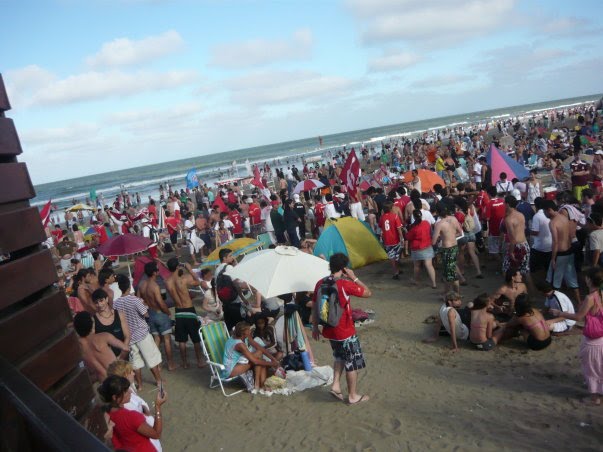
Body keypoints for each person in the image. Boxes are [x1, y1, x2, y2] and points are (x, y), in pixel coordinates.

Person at [312, 253, 372, 405]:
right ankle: (352, 396)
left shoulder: (320, 283)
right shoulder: (344, 284)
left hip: (328, 328)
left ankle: (336, 385)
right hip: (344, 330)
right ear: (344, 268)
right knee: (351, 362)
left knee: (339, 356)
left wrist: (314, 327)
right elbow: (368, 292)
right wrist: (354, 277)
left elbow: (315, 305)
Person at [550, 267, 603, 405]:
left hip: (592, 340)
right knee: (600, 367)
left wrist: (560, 313)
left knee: (591, 369)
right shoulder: (601, 294)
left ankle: (595, 398)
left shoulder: (590, 298)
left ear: (589, 280)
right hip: (601, 337)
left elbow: (579, 317)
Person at [113, 274, 163, 390]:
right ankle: (159, 381)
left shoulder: (116, 303)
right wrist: (144, 304)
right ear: (129, 287)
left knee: (135, 363)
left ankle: (140, 385)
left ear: (120, 287)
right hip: (141, 334)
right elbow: (145, 314)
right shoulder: (135, 300)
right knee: (151, 359)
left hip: (129, 337)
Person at [98, 375, 166, 451]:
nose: (130, 392)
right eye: (126, 391)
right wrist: (158, 407)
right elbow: (156, 434)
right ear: (115, 397)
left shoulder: (105, 413)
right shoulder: (131, 416)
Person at [165, 258, 206, 369]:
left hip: (178, 311)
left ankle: (184, 363)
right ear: (178, 267)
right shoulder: (184, 278)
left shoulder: (167, 282)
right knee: (195, 338)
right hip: (189, 310)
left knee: (182, 339)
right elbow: (199, 283)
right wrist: (190, 269)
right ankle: (199, 361)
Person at [138, 262, 177, 371]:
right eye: (157, 270)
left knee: (157, 339)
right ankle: (170, 364)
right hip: (160, 313)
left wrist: (147, 305)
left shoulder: (142, 285)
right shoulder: (155, 286)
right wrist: (167, 312)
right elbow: (160, 302)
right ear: (154, 273)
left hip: (150, 314)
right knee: (167, 339)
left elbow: (139, 300)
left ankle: (157, 365)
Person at [221, 321, 279, 390]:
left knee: (260, 356)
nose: (250, 330)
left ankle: (261, 385)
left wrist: (273, 359)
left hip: (238, 362)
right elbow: (255, 362)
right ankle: (257, 384)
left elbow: (259, 347)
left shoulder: (243, 336)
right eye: (248, 329)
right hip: (230, 369)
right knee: (260, 361)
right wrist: (272, 364)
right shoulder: (239, 344)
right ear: (244, 333)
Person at [74, 311, 128, 382]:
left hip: (105, 384)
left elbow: (80, 370)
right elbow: (126, 349)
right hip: (118, 377)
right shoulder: (104, 336)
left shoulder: (77, 348)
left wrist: (97, 375)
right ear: (91, 324)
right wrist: (118, 361)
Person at [543, 200, 580, 302]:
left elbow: (555, 242)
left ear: (549, 210)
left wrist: (553, 258)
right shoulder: (564, 217)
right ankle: (579, 302)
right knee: (572, 279)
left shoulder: (553, 222)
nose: (545, 214)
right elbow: (571, 234)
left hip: (560, 254)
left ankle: (552, 305)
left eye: (545, 211)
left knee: (555, 282)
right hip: (569, 250)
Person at [432, 203, 463, 295]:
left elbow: (434, 241)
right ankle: (447, 292)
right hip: (454, 246)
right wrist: (450, 235)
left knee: (450, 274)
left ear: (437, 212)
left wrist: (442, 238)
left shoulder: (439, 224)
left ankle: (456, 294)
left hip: (447, 249)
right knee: (448, 271)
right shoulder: (454, 219)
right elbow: (460, 232)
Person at [92, 288, 130, 359]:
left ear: (106, 299)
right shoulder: (93, 320)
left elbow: (127, 336)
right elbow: (94, 342)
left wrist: (122, 355)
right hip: (107, 360)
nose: (99, 304)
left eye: (101, 300)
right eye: (96, 302)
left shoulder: (119, 314)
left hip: (124, 355)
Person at [405, 209, 437, 288]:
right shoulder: (426, 223)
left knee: (417, 265)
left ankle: (416, 280)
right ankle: (434, 283)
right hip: (427, 245)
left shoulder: (413, 227)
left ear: (414, 217)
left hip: (417, 248)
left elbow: (408, 237)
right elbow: (430, 232)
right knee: (429, 265)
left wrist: (406, 231)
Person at [502, 195, 530, 275]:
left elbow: (512, 239)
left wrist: (511, 252)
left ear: (507, 204)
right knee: (525, 273)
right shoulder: (521, 215)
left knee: (506, 272)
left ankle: (510, 287)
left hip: (516, 247)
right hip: (525, 244)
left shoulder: (508, 219)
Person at [378, 200, 404, 279]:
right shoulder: (395, 216)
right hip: (395, 239)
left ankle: (396, 271)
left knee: (392, 256)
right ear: (391, 208)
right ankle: (396, 272)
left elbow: (381, 227)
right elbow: (399, 229)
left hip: (387, 240)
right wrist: (402, 238)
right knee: (396, 256)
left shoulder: (382, 217)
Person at [529, 197, 552, 276]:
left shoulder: (537, 216)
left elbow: (535, 232)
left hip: (539, 247)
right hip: (550, 246)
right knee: (548, 269)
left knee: (534, 269)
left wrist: (529, 231)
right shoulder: (548, 214)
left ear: (536, 206)